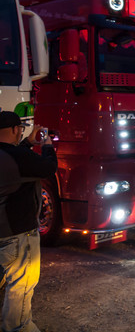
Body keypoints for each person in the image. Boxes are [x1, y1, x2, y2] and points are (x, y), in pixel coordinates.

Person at [0, 112, 57, 332]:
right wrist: (48, 144)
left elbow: (15, 159)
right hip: (18, 233)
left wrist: (26, 143)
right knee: (21, 286)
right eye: (21, 130)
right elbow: (47, 167)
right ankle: (18, 327)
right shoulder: (18, 157)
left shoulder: (11, 155)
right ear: (15, 129)